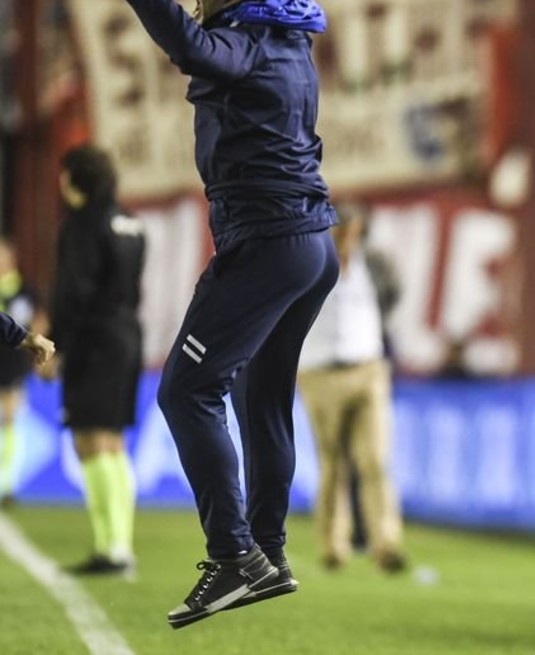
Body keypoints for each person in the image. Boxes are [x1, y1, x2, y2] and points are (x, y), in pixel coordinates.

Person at [122, 0, 340, 628]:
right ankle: (267, 552)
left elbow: (191, 46)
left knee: (186, 392)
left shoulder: (247, 40)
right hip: (310, 247)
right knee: (262, 398)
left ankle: (235, 557)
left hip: (269, 243)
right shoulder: (290, 42)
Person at [45, 146, 146, 576]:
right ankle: (119, 545)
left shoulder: (82, 224)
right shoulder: (131, 221)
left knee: (91, 440)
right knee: (114, 440)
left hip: (93, 339)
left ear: (76, 179)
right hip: (127, 335)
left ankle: (112, 548)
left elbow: (75, 291)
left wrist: (57, 345)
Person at [296, 205, 405, 573]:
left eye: (352, 230)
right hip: (319, 374)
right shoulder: (307, 263)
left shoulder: (373, 265)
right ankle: (333, 545)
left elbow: (392, 296)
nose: (346, 237)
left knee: (374, 460)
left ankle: (386, 543)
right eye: (340, 230)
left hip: (367, 369)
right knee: (333, 464)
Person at [0, 239, 42, 508]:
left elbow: (39, 318)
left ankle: (7, 483)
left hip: (12, 362)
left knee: (10, 420)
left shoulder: (25, 290)